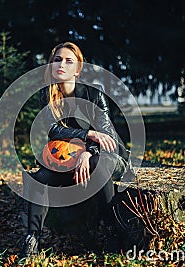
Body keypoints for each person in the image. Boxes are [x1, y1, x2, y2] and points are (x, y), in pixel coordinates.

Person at [20, 42, 130, 258]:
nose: (61, 64)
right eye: (57, 60)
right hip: (69, 160)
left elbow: (106, 136)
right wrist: (87, 135)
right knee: (39, 177)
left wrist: (88, 152)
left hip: (108, 157)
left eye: (68, 61)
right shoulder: (48, 96)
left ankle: (110, 232)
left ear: (78, 69)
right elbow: (53, 130)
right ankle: (32, 239)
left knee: (99, 164)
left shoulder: (94, 94)